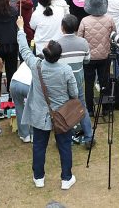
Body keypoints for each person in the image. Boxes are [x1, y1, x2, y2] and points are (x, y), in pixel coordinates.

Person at [15, 15, 78, 190]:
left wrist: (21, 29)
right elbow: (74, 92)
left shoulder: (37, 65)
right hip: (62, 114)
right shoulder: (65, 70)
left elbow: (24, 50)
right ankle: (66, 178)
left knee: (39, 146)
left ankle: (39, 177)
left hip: (41, 114)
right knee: (64, 146)